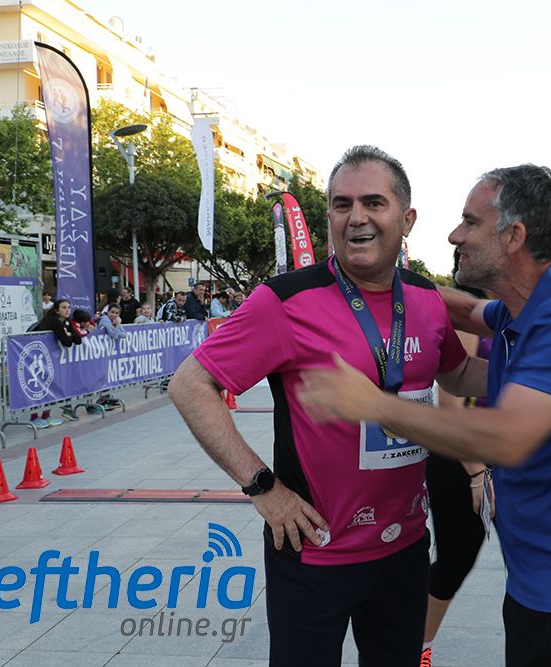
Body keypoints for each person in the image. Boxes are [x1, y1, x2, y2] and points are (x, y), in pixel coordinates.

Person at [298, 164, 551, 666]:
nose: (454, 235)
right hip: (535, 584)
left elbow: (506, 439)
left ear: (513, 236)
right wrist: (373, 271)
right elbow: (464, 311)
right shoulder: (520, 309)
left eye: (470, 222)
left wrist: (373, 405)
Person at [169, 145, 472, 667]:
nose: (356, 217)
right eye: (341, 204)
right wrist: (263, 488)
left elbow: (460, 374)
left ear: (407, 219)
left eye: (373, 202)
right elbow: (190, 384)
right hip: (313, 550)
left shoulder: (427, 299)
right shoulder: (286, 300)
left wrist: (540, 361)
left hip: (404, 547)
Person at [420, 251, 495, 666]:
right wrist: (477, 470)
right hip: (462, 460)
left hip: (502, 452)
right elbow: (449, 405)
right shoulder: (467, 318)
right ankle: (420, 646)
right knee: (455, 560)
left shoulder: (505, 311)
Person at [29, 299, 80, 428]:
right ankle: (33, 417)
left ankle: (46, 415)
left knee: (51, 386)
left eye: (68, 307)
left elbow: (77, 339)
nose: (67, 310)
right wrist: (67, 335)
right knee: (40, 386)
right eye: (64, 307)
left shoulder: (66, 322)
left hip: (52, 358)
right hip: (39, 356)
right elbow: (67, 342)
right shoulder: (54, 321)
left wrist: (69, 334)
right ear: (57, 310)